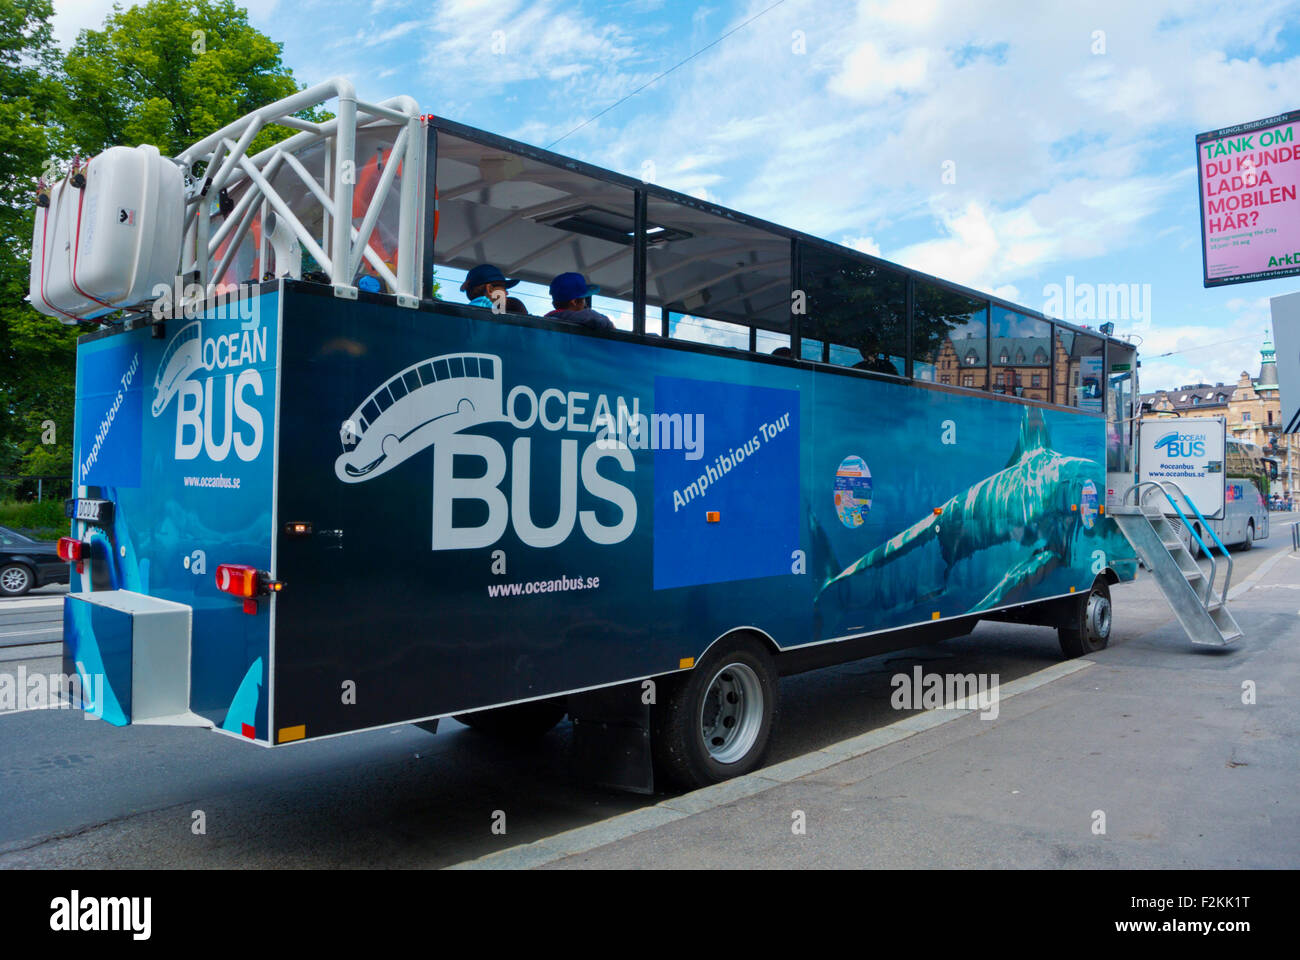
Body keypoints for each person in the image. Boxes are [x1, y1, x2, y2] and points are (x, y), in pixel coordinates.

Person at [545, 272, 614, 330]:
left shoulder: (548, 320)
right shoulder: (584, 316)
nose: (585, 305)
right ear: (574, 302)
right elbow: (601, 322)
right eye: (584, 299)